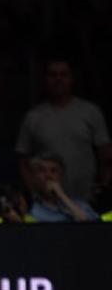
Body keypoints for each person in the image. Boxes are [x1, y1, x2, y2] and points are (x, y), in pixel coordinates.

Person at [15, 58, 111, 201]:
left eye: (63, 74)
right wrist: (34, 192)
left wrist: (103, 187)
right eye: (53, 75)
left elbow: (106, 155)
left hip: (86, 199)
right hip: (48, 202)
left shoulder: (90, 112)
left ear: (72, 79)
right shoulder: (33, 117)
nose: (58, 79)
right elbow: (23, 161)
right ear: (45, 80)